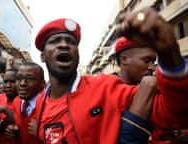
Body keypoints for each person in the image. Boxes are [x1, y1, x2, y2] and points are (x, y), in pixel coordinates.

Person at [34, 7, 188, 143]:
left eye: (71, 42)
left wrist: (169, 54)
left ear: (77, 53)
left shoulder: (106, 88)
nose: (64, 45)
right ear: (42, 56)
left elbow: (175, 115)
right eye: (55, 41)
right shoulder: (41, 101)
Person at [111, 36, 157, 143]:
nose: (152, 67)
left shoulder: (149, 89)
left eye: (153, 61)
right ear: (124, 59)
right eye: (147, 61)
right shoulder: (105, 92)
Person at [0, 61, 46, 143]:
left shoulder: (49, 105)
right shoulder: (17, 101)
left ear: (42, 84)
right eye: (18, 78)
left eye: (30, 78)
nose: (22, 83)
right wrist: (15, 132)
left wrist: (43, 134)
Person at [0, 68, 18, 144]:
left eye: (12, 82)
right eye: (5, 82)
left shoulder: (24, 102)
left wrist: (5, 109)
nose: (8, 85)